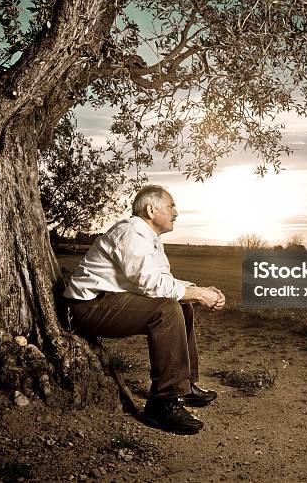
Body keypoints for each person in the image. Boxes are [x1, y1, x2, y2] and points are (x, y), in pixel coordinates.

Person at [63, 185, 226, 435]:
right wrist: (198, 294)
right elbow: (150, 285)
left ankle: (185, 385)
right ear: (151, 209)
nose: (176, 212)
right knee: (167, 310)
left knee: (182, 307)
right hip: (88, 307)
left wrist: (200, 290)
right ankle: (161, 404)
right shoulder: (131, 233)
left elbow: (163, 282)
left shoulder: (149, 238)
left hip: (110, 301)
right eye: (171, 206)